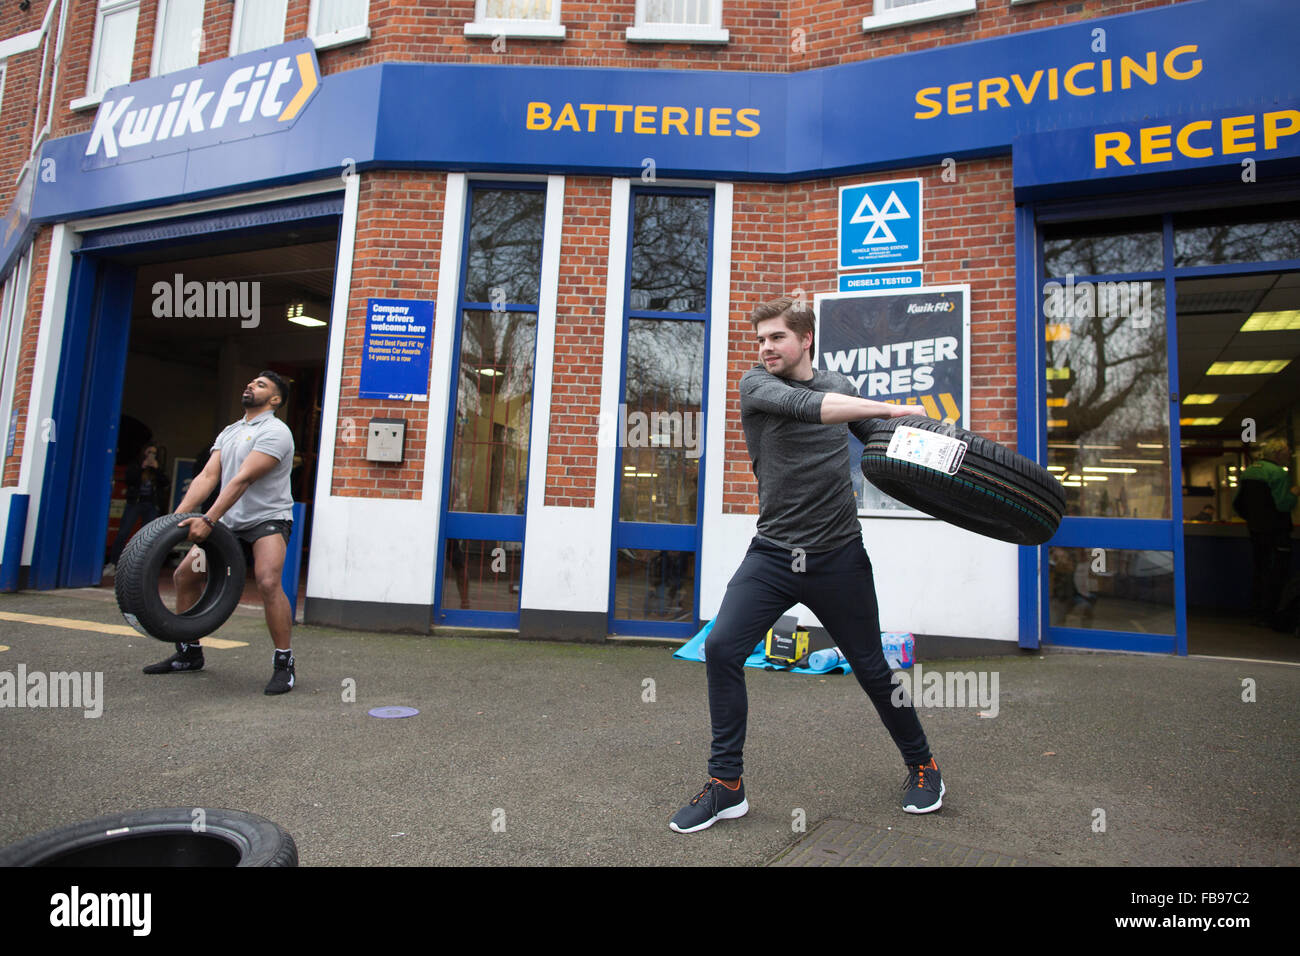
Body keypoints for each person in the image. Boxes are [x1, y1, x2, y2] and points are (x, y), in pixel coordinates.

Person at [669, 298, 942, 834]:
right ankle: (726, 786)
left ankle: (923, 765)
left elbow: (881, 445)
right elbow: (810, 409)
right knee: (723, 647)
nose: (766, 348)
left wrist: (945, 470)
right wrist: (886, 407)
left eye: (777, 338)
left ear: (806, 339)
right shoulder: (757, 386)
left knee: (870, 666)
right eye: (762, 339)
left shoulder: (841, 386)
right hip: (773, 554)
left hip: (839, 555)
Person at [143, 372, 298, 694]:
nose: (250, 386)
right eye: (251, 382)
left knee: (269, 581)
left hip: (267, 519)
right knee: (185, 576)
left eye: (260, 385)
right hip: (228, 519)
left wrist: (209, 520)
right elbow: (208, 475)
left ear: (275, 400)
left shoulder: (276, 432)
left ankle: (284, 663)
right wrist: (176, 521)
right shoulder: (231, 431)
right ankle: (189, 653)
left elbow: (243, 479)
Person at [1233, 437, 1297, 629]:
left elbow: (1237, 504)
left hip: (1256, 531)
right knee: (1277, 572)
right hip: (1277, 531)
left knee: (1260, 570)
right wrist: (1294, 493)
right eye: (1286, 453)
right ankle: (1273, 614)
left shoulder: (1248, 472)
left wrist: (1253, 520)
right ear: (1277, 454)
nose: (1289, 457)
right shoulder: (1279, 474)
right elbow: (1283, 503)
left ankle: (1258, 612)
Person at [104, 443, 170, 575]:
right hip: (135, 502)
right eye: (149, 453)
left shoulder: (157, 468)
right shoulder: (135, 465)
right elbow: (129, 480)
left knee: (149, 536)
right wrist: (142, 467)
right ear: (143, 453)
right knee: (124, 532)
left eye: (154, 454)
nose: (151, 456)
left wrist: (156, 469)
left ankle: (143, 566)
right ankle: (113, 563)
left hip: (151, 504)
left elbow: (165, 482)